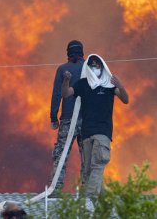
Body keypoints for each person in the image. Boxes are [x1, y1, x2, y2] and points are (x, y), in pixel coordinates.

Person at [61, 54, 129, 203]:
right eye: (92, 65)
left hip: (102, 133)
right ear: (87, 67)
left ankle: (90, 201)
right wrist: (66, 79)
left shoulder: (109, 85)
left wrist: (120, 86)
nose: (95, 67)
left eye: (97, 65)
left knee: (98, 164)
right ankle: (104, 205)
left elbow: (125, 99)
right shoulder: (82, 84)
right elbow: (65, 94)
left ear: (103, 66)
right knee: (88, 171)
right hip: (86, 134)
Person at [49, 40, 85, 195]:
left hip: (67, 119)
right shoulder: (89, 68)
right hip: (87, 120)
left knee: (61, 155)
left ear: (68, 53)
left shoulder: (63, 69)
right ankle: (88, 192)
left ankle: (55, 191)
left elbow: (57, 94)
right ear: (82, 52)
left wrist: (53, 117)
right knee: (87, 156)